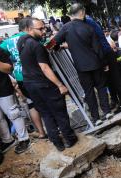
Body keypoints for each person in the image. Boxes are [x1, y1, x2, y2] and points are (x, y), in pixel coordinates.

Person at [18, 18, 78, 151]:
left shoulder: (21, 42)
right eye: (40, 29)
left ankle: (57, 143)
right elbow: (44, 68)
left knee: (46, 114)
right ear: (29, 29)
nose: (44, 31)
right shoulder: (36, 45)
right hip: (44, 84)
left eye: (44, 27)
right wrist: (60, 85)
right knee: (59, 112)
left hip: (30, 85)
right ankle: (69, 139)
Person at [54, 3, 112, 125]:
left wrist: (57, 47)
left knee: (89, 91)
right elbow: (98, 48)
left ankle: (96, 119)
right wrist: (104, 63)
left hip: (81, 67)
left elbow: (55, 42)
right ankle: (107, 112)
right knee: (101, 87)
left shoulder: (66, 28)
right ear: (82, 12)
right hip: (96, 64)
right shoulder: (88, 27)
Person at [0, 20, 46, 139]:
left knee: (31, 105)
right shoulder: (31, 36)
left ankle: (41, 132)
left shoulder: (8, 41)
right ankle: (55, 129)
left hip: (20, 75)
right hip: (37, 72)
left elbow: (2, 53)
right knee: (46, 101)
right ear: (28, 27)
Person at [0, 44, 30, 154]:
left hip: (3, 88)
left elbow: (8, 68)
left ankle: (24, 138)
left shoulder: (0, 50)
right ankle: (7, 140)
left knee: (13, 114)